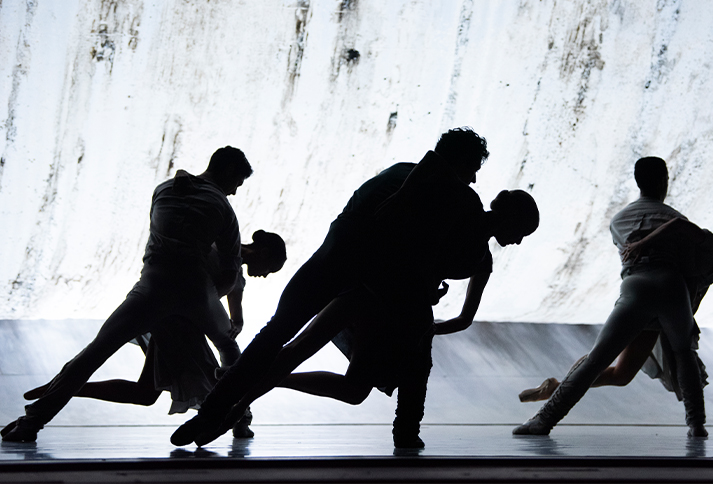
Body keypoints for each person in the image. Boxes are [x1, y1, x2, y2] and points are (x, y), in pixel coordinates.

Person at [170, 128, 497, 447]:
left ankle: (216, 410)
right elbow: (398, 238)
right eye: (472, 169)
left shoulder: (400, 172)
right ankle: (406, 433)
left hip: (330, 260)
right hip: (364, 278)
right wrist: (420, 287)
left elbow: (374, 224)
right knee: (327, 357)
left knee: (277, 337)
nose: (474, 179)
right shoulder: (445, 195)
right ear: (459, 164)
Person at [192, 189, 539, 449]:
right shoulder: (477, 253)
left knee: (308, 356)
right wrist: (423, 320)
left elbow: (398, 240)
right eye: (522, 231)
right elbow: (462, 318)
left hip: (363, 289)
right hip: (384, 305)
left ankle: (238, 392)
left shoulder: (454, 213)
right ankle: (241, 395)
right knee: (341, 379)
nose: (520, 241)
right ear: (511, 220)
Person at [2, 146, 253, 443]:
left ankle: (31, 423)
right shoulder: (223, 208)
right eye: (237, 183)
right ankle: (241, 419)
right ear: (227, 171)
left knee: (93, 354)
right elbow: (228, 271)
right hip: (194, 289)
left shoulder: (164, 190)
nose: (235, 191)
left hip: (152, 287)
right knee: (228, 348)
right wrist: (205, 308)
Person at [512, 156, 713, 438]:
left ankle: (543, 420)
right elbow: (693, 260)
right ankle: (697, 425)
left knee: (597, 359)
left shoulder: (619, 220)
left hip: (636, 286)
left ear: (637, 181)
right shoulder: (676, 218)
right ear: (663, 182)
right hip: (672, 285)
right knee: (684, 354)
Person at [21, 231, 287, 437]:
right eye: (270, 269)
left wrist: (231, 325)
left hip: (170, 322)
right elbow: (225, 317)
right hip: (176, 326)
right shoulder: (223, 257)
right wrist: (227, 330)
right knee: (209, 378)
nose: (265, 276)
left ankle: (61, 389)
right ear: (263, 253)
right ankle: (242, 418)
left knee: (144, 394)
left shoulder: (231, 266)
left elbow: (234, 315)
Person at [518, 207, 713, 403]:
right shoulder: (706, 242)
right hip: (660, 310)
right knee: (602, 360)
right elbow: (676, 229)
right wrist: (642, 244)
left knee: (621, 374)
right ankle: (559, 390)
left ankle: (556, 387)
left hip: (670, 316)